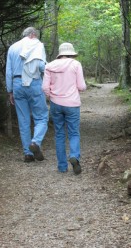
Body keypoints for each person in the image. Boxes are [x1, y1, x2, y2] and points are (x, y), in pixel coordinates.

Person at [42, 42, 86, 174]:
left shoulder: (49, 66)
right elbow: (82, 86)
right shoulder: (76, 65)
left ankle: (62, 166)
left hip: (56, 104)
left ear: (60, 54)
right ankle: (74, 156)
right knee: (73, 133)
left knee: (59, 134)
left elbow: (44, 87)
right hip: (72, 104)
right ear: (71, 53)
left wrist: (51, 96)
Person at [6, 27, 48, 162]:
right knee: (41, 117)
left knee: (23, 121)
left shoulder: (13, 48)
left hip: (17, 84)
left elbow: (8, 72)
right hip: (34, 83)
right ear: (33, 34)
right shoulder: (37, 45)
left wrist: (10, 91)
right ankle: (35, 142)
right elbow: (42, 67)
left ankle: (28, 154)